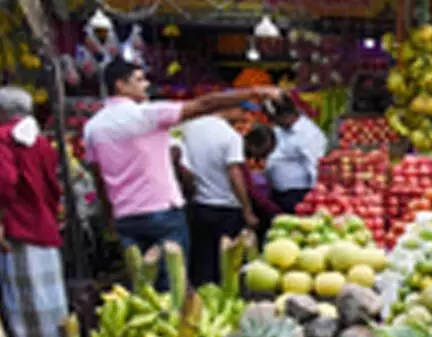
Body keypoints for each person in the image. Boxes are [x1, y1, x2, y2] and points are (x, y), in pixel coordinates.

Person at [83, 58, 280, 284]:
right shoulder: (147, 116)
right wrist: (254, 92)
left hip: (125, 218)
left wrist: (110, 217)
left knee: (142, 287)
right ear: (120, 85)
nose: (146, 84)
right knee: (173, 287)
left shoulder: (93, 127)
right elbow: (204, 104)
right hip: (161, 213)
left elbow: (99, 177)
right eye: (139, 80)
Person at [0, 87, 68, 337]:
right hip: (44, 222)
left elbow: (5, 182)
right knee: (49, 294)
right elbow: (53, 184)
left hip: (18, 225)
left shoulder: (3, 139)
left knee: (23, 295)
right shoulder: (39, 141)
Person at [181, 103, 257, 285]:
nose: (245, 118)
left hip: (200, 204)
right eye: (244, 112)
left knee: (202, 260)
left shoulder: (190, 128)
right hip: (227, 207)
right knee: (227, 265)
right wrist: (247, 209)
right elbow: (234, 173)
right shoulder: (231, 137)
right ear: (233, 109)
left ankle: (202, 300)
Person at [264, 96, 326, 213]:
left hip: (297, 193)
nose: (273, 122)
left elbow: (314, 166)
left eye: (275, 119)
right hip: (277, 192)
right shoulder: (279, 129)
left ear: (287, 115)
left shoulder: (308, 134)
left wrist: (313, 199)